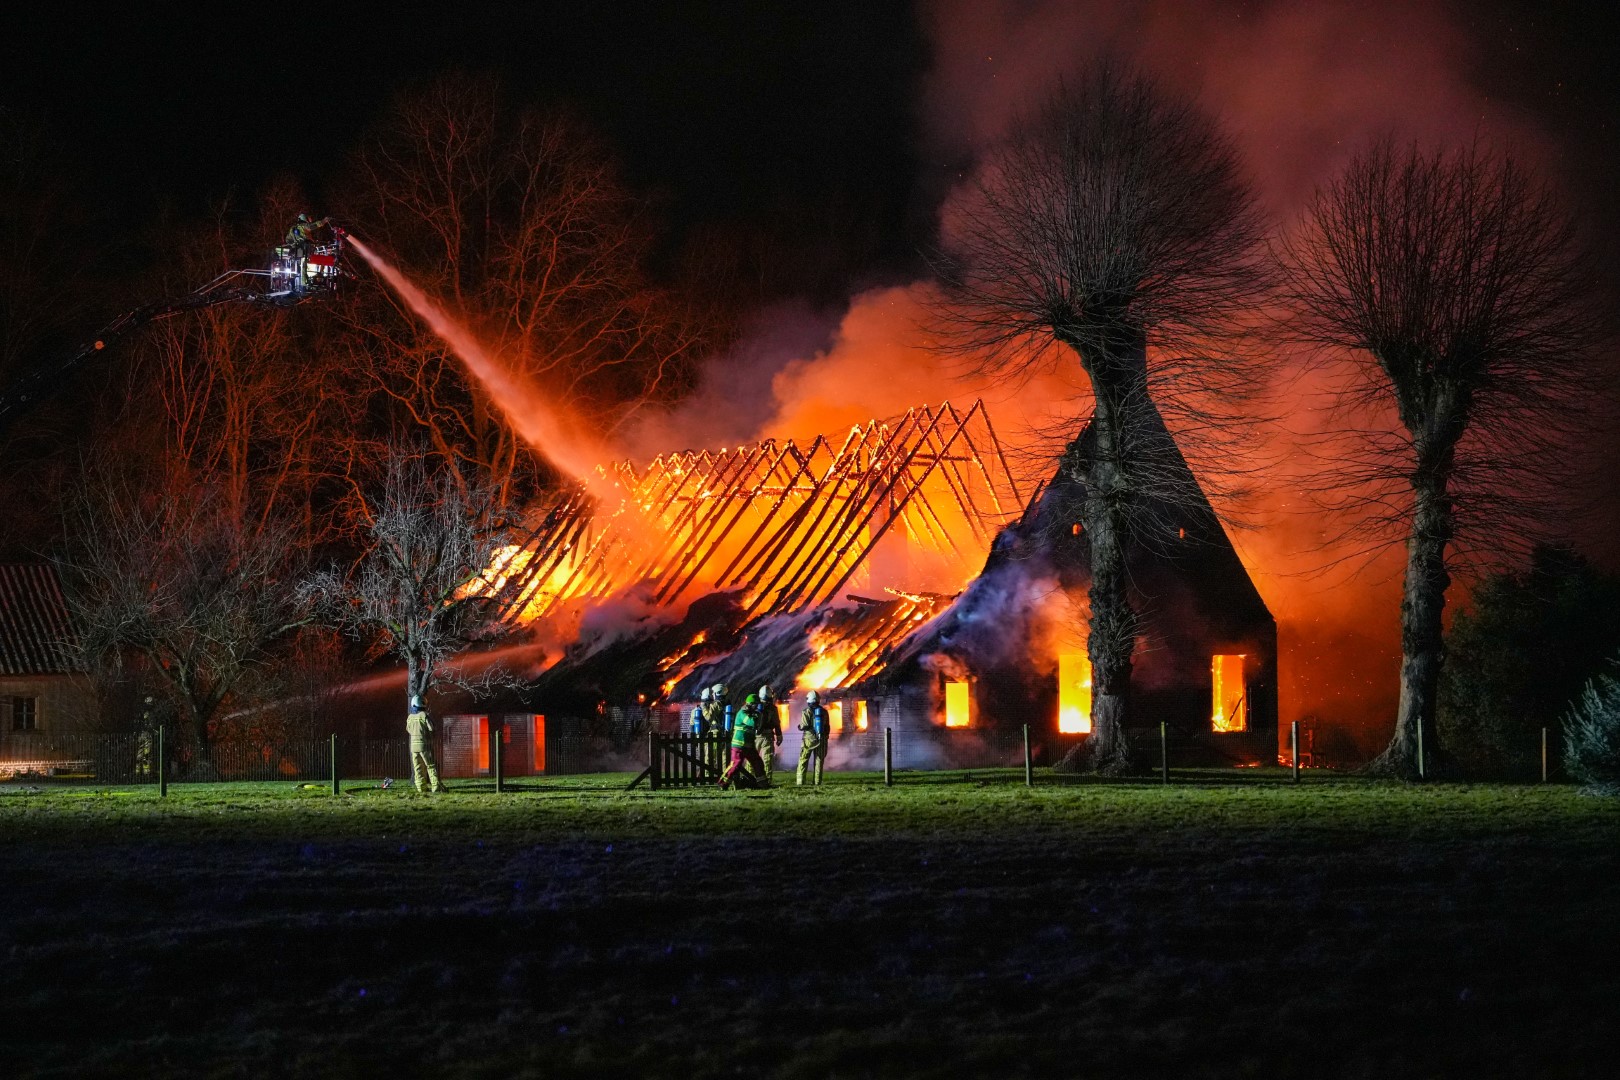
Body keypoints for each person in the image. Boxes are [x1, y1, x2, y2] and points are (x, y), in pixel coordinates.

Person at [718, 693, 768, 790]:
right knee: (735, 764)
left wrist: (759, 715)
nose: (757, 706)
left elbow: (759, 727)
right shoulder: (742, 713)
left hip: (749, 746)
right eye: (755, 705)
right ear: (750, 704)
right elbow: (751, 722)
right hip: (739, 745)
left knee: (758, 763)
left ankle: (762, 784)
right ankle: (723, 783)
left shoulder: (754, 714)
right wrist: (757, 714)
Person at [406, 695, 443, 794]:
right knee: (430, 766)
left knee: (417, 768)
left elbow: (408, 729)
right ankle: (436, 786)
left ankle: (421, 788)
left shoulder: (410, 717)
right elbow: (431, 728)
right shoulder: (424, 715)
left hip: (413, 747)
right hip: (424, 746)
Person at [796, 689, 831, 786]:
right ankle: (817, 782)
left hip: (809, 739)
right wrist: (825, 737)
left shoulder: (806, 711)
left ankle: (800, 782)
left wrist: (799, 727)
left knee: (803, 759)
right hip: (822, 739)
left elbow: (804, 726)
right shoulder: (824, 712)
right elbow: (827, 726)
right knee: (819, 761)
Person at [755, 682, 783, 782]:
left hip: (755, 737)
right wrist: (779, 736)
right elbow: (777, 723)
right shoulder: (773, 708)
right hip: (767, 737)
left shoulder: (754, 707)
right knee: (767, 759)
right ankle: (767, 780)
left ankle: (751, 779)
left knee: (752, 759)